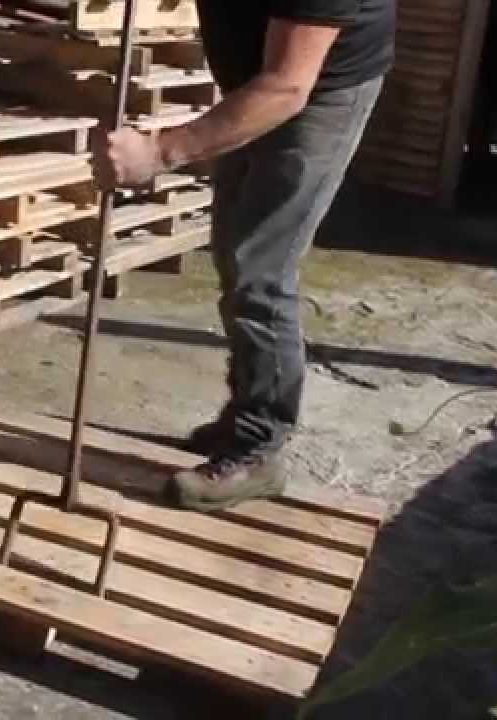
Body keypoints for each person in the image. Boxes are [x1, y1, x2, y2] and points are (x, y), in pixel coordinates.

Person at [94, 0, 395, 512]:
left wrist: (159, 152)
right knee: (234, 251)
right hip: (258, 76)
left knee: (261, 269)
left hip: (315, 90)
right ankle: (243, 416)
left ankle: (258, 448)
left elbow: (288, 86)